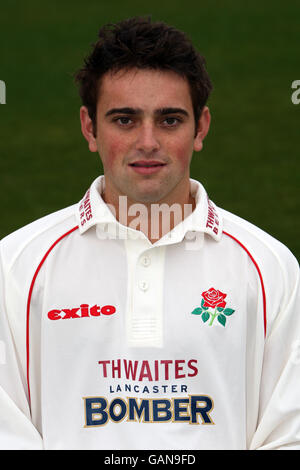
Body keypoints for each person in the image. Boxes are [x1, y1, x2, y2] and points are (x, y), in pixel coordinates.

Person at [0, 17, 299, 451]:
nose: (147, 141)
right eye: (124, 120)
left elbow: (287, 434)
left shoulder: (271, 268)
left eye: (170, 120)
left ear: (201, 128)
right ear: (89, 128)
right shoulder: (16, 266)